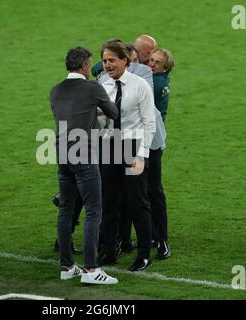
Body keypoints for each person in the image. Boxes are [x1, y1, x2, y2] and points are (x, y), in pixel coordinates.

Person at [50, 47, 118, 284]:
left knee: (66, 209)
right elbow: (114, 112)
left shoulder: (55, 90)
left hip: (61, 152)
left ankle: (66, 266)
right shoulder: (92, 88)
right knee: (93, 210)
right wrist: (98, 107)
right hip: (84, 152)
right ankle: (91, 270)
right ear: (84, 66)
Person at [98, 40, 156, 272]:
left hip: (133, 148)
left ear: (125, 60)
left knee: (137, 203)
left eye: (112, 60)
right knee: (109, 203)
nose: (108, 65)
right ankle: (109, 251)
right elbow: (100, 122)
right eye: (104, 61)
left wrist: (141, 156)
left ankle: (144, 255)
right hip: (109, 148)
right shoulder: (102, 85)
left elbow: (149, 123)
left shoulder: (140, 85)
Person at [147, 47, 174, 259]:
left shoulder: (154, 84)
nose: (151, 64)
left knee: (153, 190)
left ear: (165, 68)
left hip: (150, 144)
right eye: (151, 60)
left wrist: (126, 57)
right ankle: (156, 236)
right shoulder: (159, 79)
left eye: (156, 62)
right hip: (150, 141)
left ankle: (161, 238)